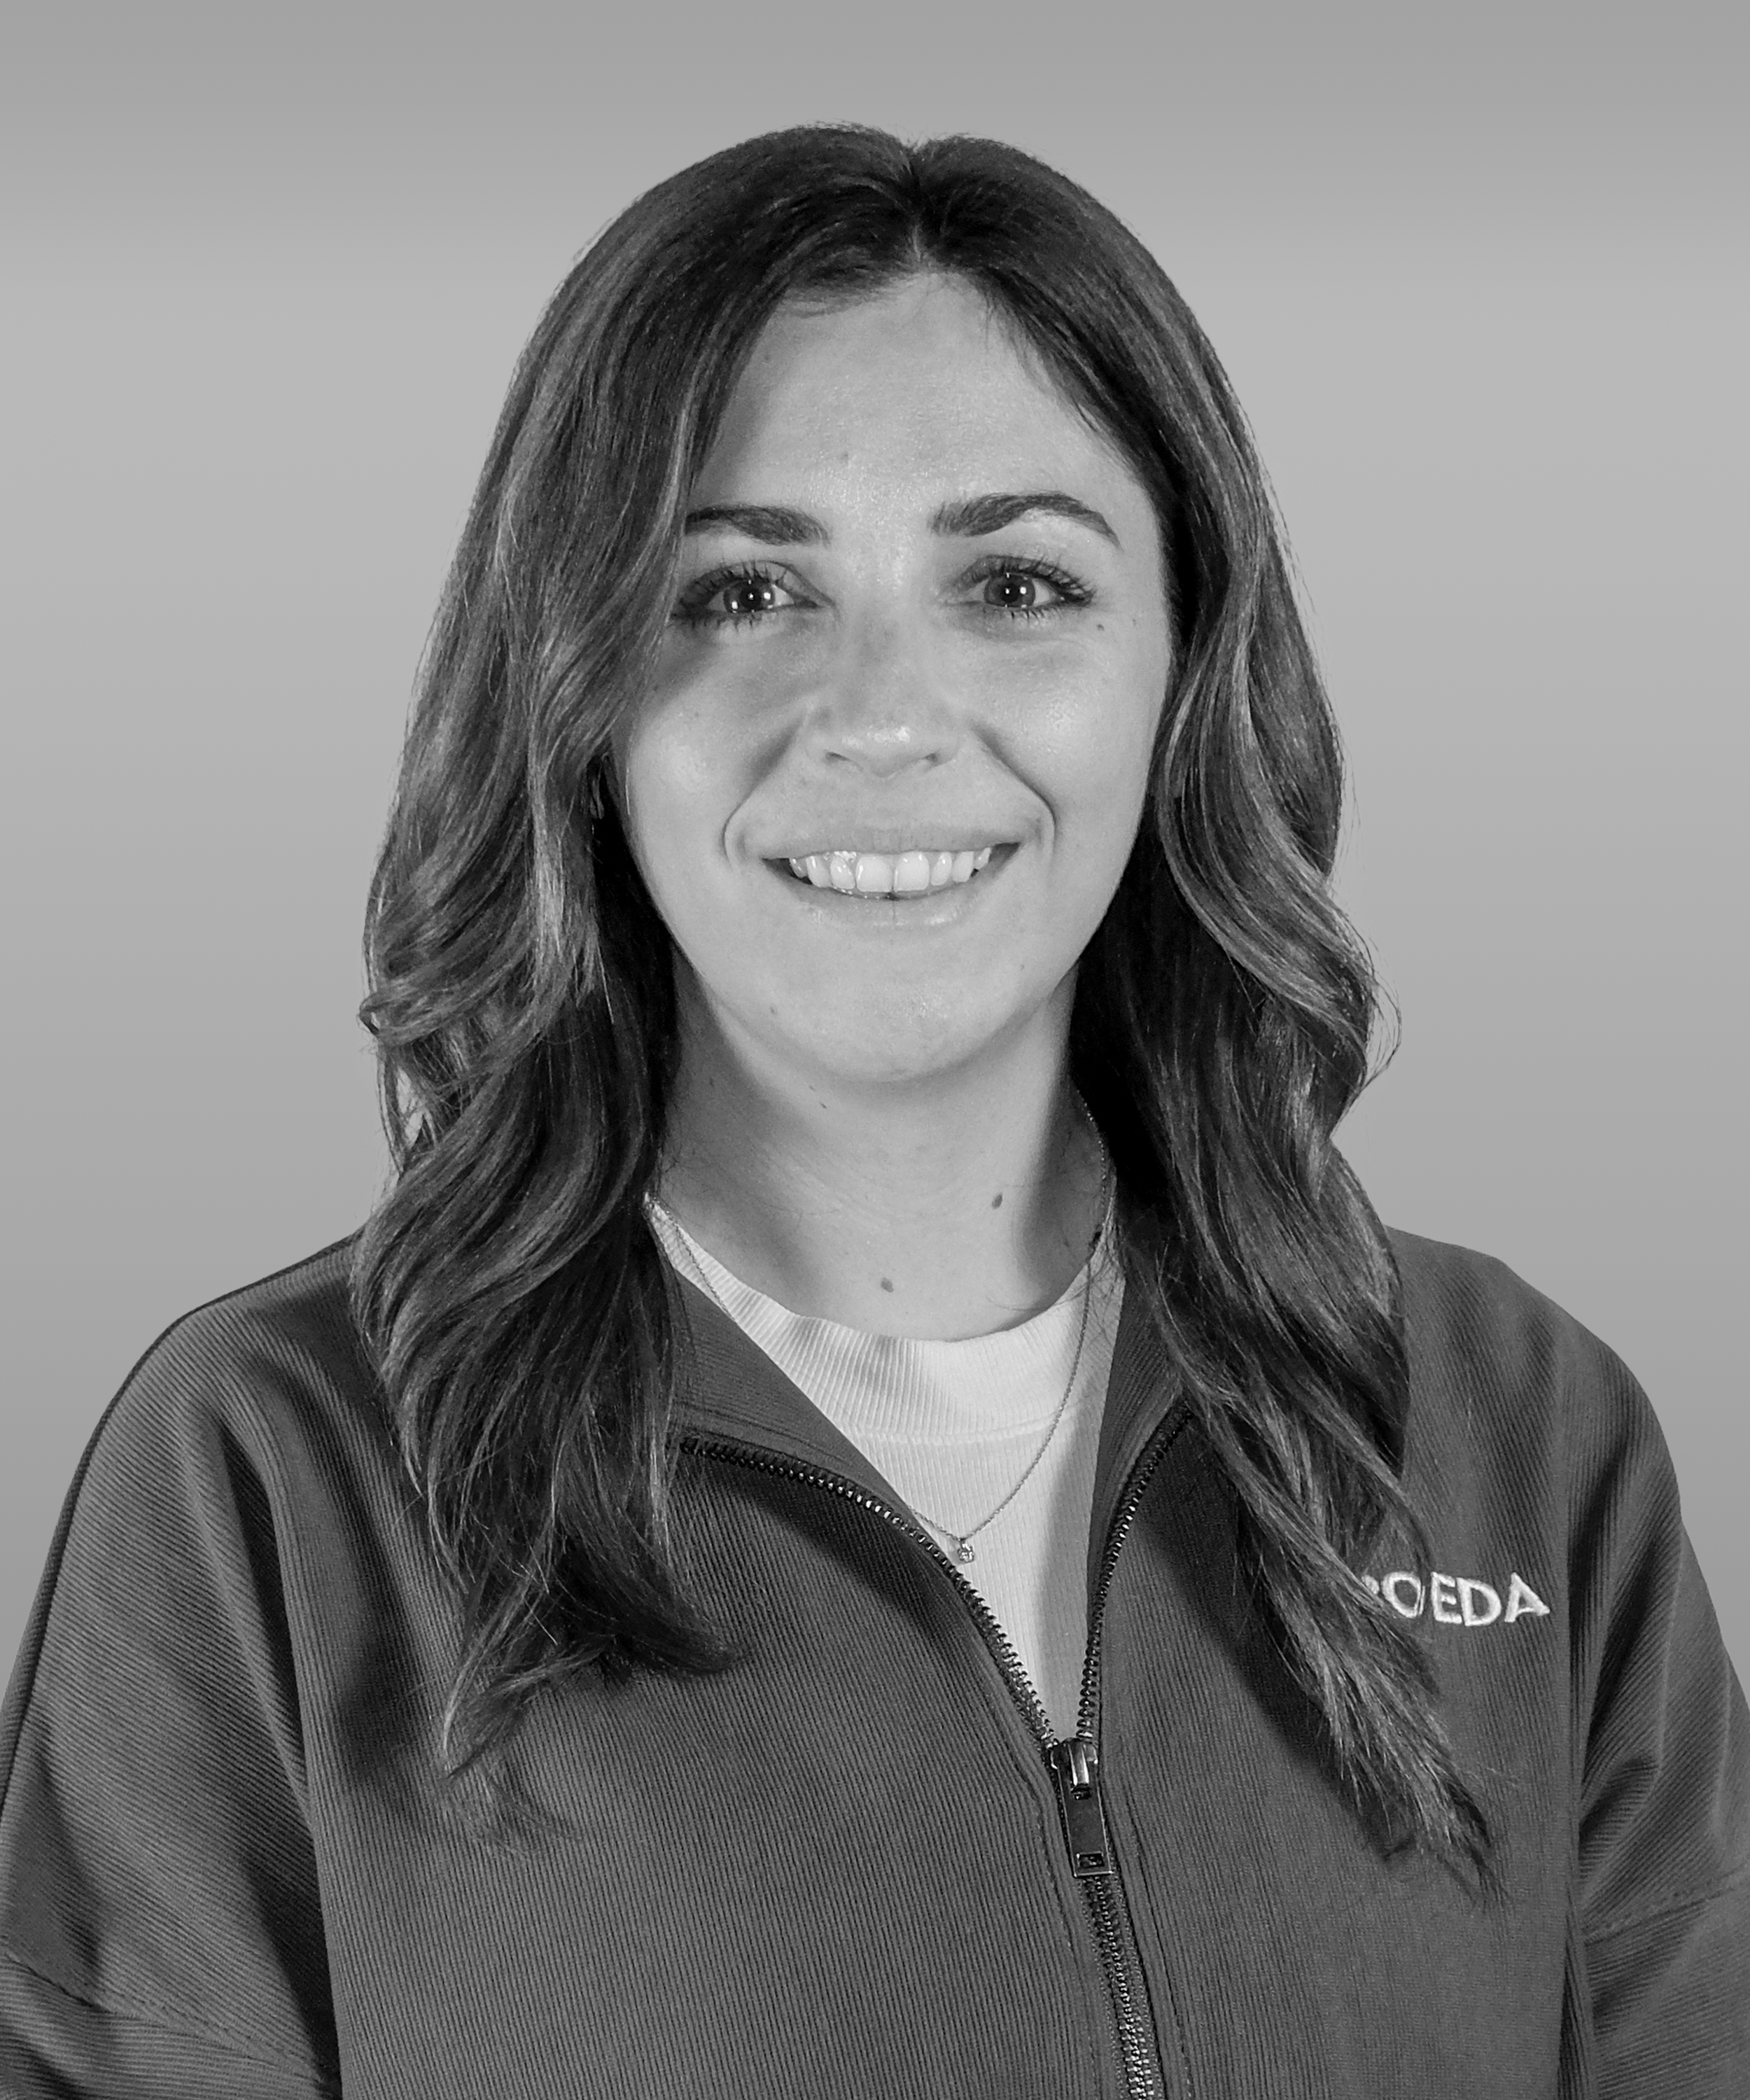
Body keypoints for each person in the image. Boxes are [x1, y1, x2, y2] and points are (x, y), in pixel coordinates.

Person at [1, 124, 1744, 2099]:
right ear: (579, 700)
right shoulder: (274, 1476)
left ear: (1184, 676)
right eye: (743, 591)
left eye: (1016, 582)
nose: (883, 715)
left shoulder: (1511, 1430)